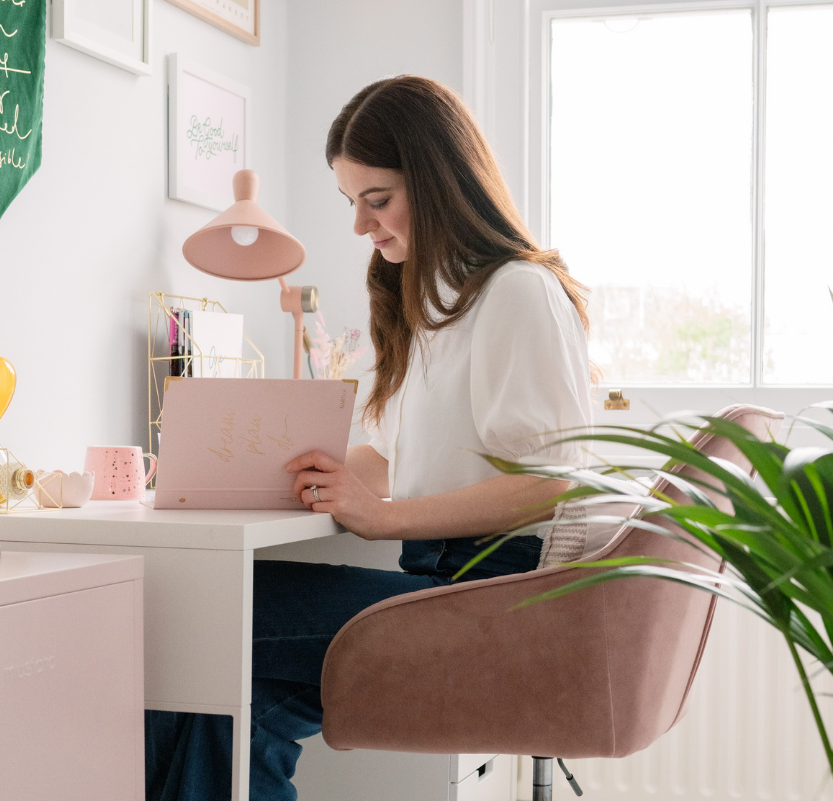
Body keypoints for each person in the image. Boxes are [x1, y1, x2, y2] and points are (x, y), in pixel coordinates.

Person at [146, 75, 593, 801]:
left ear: (438, 180)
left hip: (488, 597)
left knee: (199, 612)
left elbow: (550, 483)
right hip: (444, 583)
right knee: (225, 712)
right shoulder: (432, 299)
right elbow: (382, 456)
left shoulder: (517, 291)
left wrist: (385, 516)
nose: (359, 225)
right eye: (350, 202)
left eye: (375, 200)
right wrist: (256, 470)